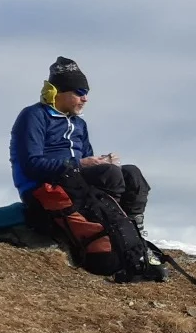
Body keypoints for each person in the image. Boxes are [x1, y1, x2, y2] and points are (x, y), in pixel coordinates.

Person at [9, 56, 161, 276]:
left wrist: (98, 161)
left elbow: (87, 161)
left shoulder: (79, 123)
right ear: (57, 92)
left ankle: (132, 234)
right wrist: (79, 164)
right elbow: (31, 164)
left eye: (86, 92)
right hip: (43, 187)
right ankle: (114, 235)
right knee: (110, 174)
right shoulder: (34, 116)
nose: (85, 98)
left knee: (131, 174)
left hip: (74, 180)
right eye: (79, 92)